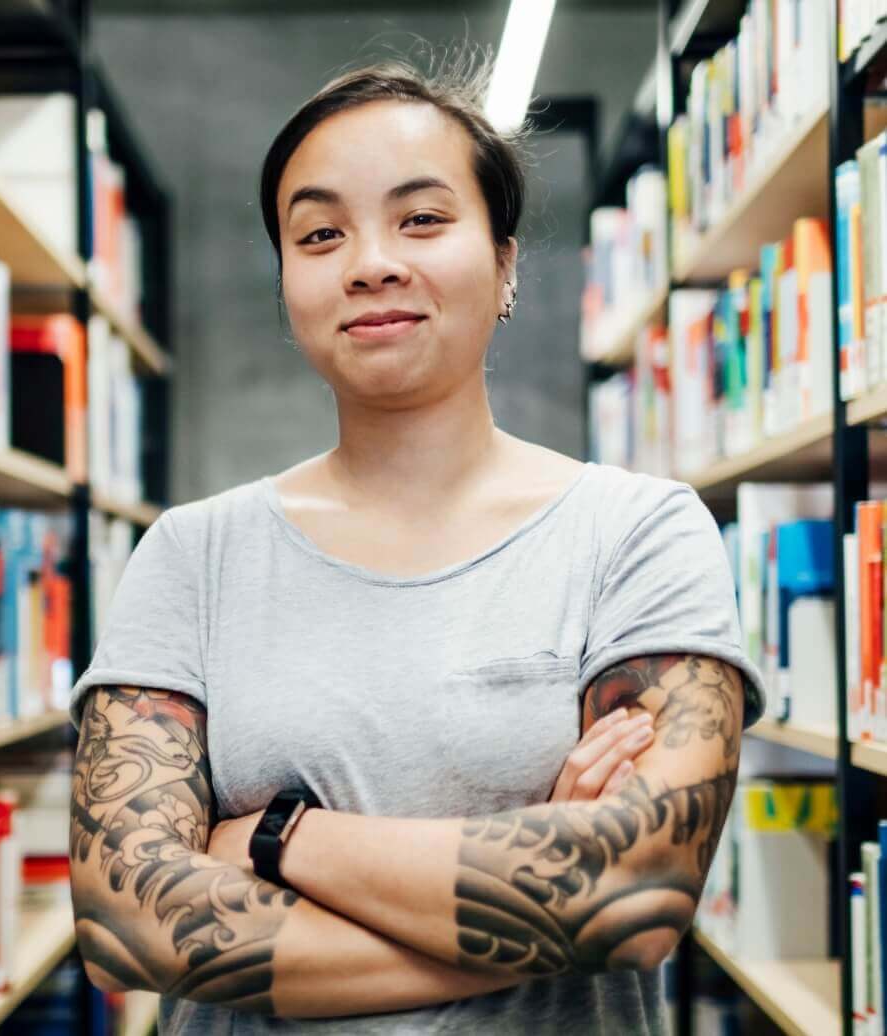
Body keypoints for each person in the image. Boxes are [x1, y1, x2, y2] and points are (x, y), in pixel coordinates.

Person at [67, 51, 766, 1036]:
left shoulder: (637, 534)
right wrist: (543, 892)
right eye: (319, 233)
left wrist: (275, 837)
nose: (371, 262)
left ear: (507, 262)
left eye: (423, 218)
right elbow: (127, 924)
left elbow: (639, 891)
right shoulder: (193, 555)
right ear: (287, 282)